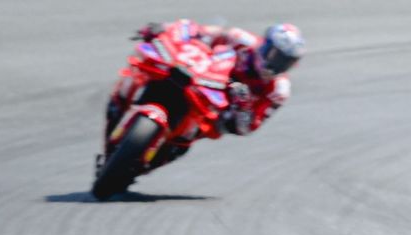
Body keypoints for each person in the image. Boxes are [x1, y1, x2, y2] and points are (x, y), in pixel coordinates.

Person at [104, 19, 304, 161]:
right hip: (199, 75)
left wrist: (242, 107)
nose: (277, 65)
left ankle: (164, 152)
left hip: (219, 107)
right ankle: (118, 106)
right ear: (266, 45)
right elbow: (201, 32)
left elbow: (248, 128)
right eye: (276, 56)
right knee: (140, 70)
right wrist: (162, 28)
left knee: (200, 132)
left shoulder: (278, 90)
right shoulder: (241, 39)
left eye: (285, 62)